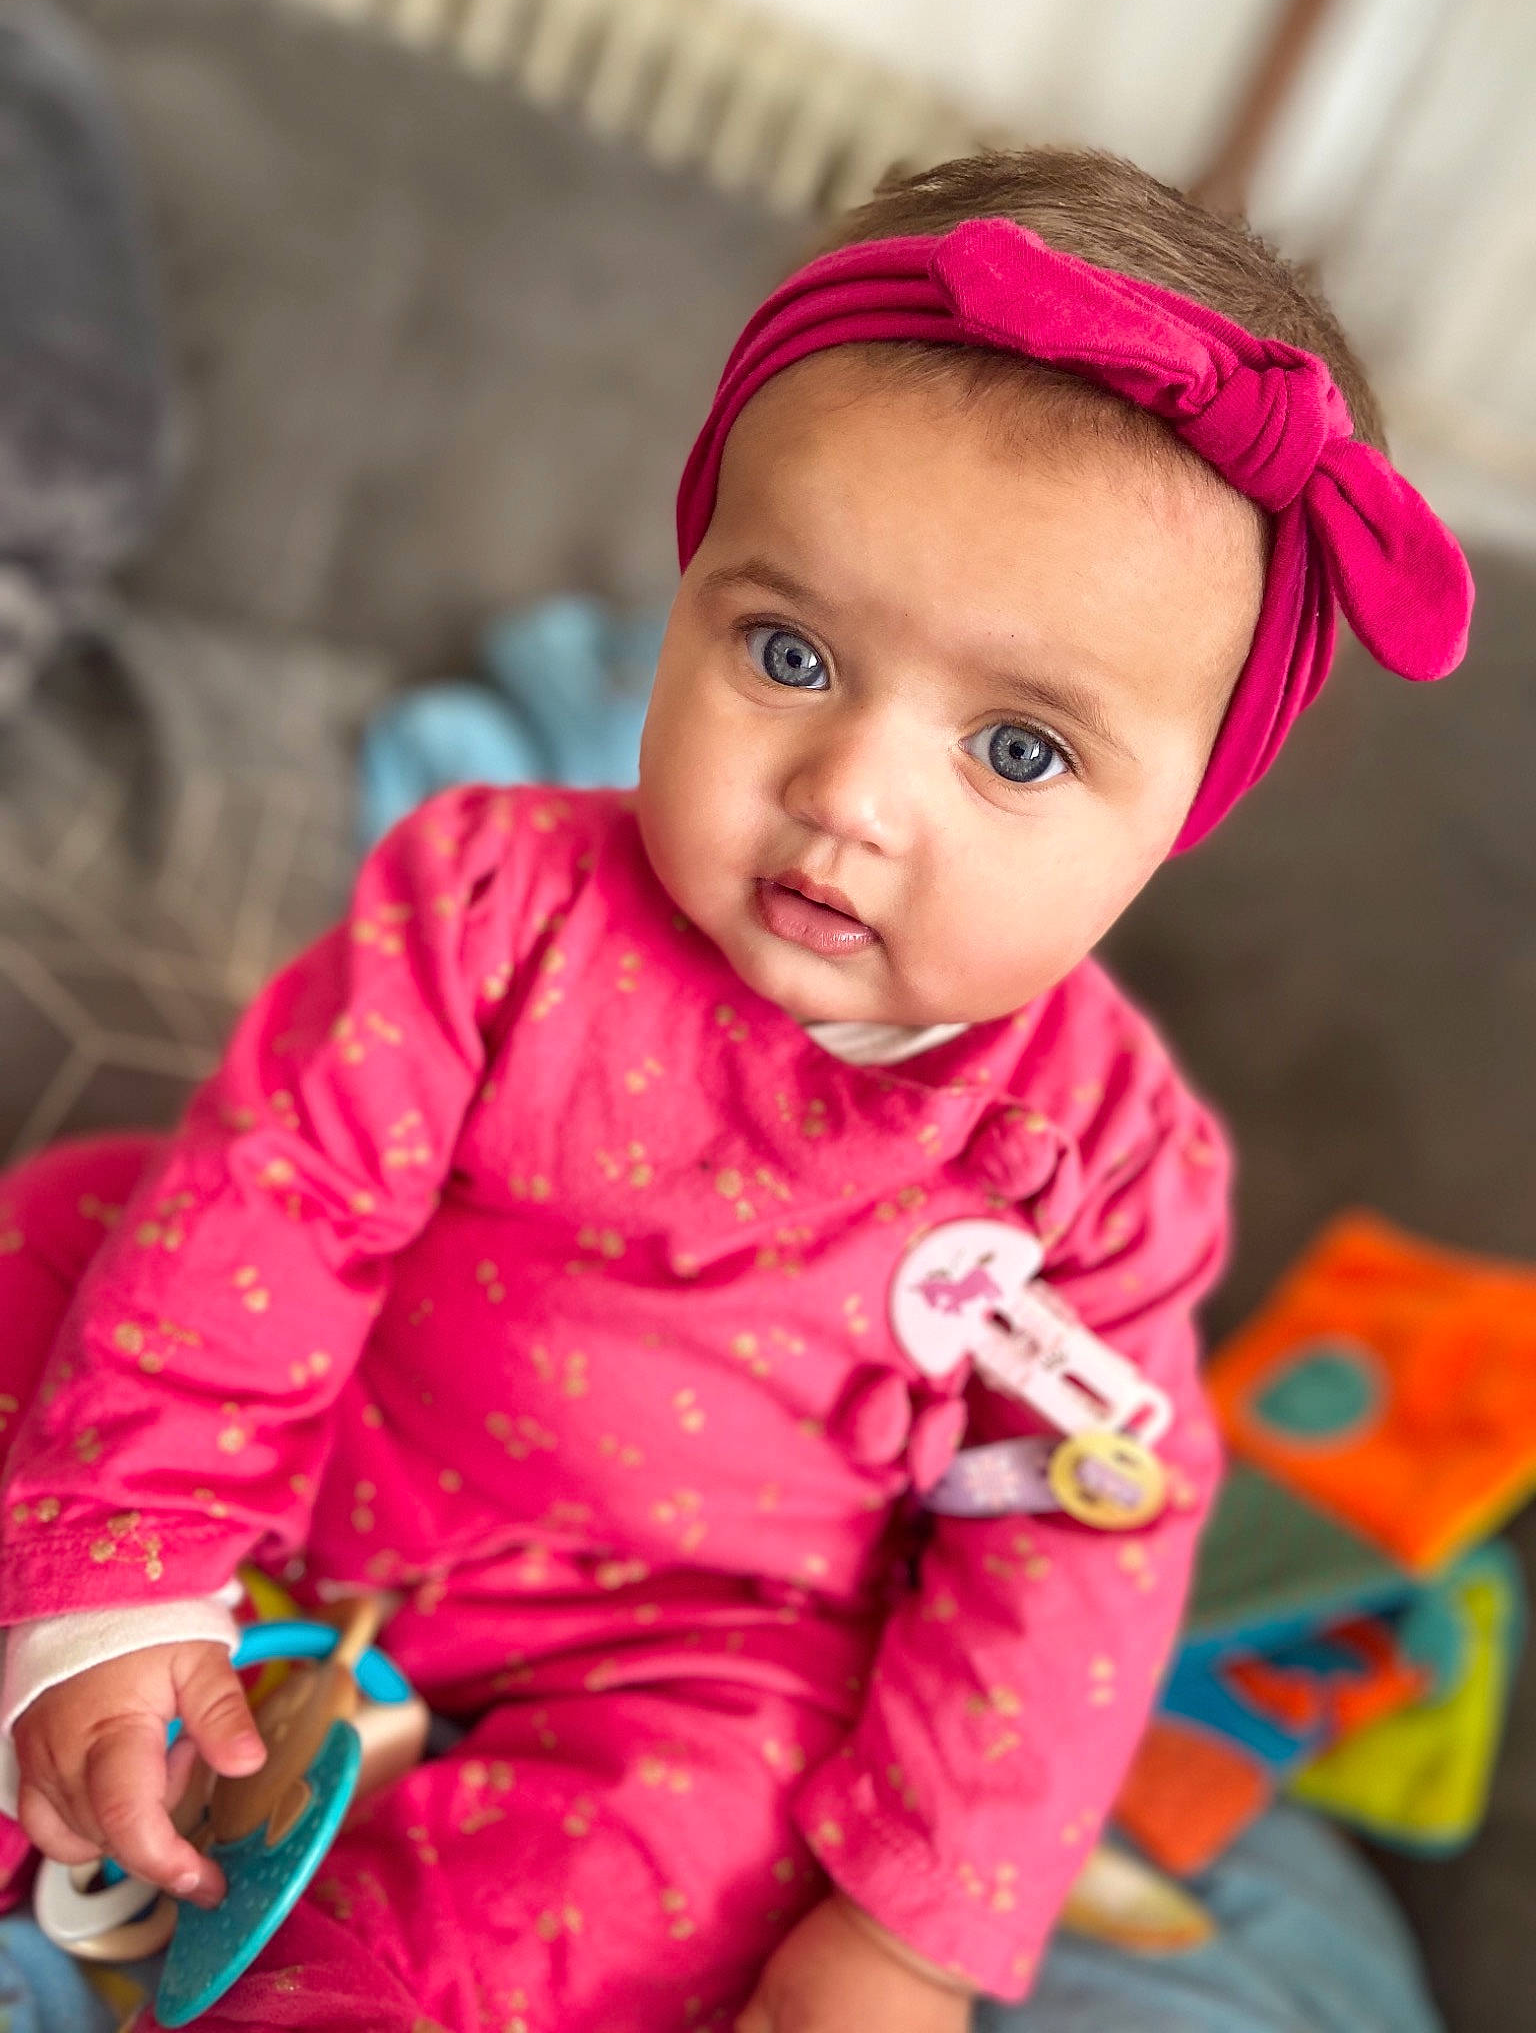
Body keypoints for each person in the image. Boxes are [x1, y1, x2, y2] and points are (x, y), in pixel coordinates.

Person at [0, 148, 1471, 2033]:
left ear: (1178, 822)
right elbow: (277, 1200)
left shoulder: (1102, 1169)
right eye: (788, 655)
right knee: (97, 1213)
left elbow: (1070, 1543)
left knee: (743, 1815)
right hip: (324, 1430)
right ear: (683, 590)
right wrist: (130, 1581)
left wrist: (915, 1935)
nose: (852, 793)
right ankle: (75, 1692)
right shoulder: (492, 902)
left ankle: (360, 1981)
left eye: (1016, 748)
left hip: (682, 1637)